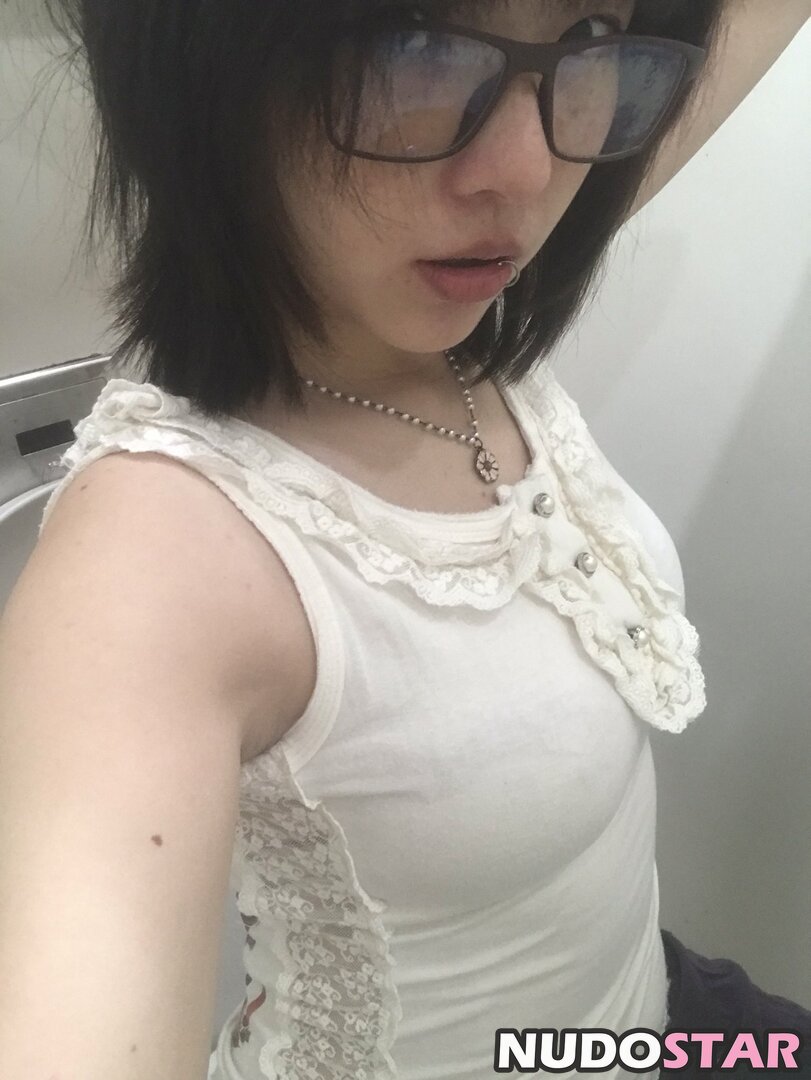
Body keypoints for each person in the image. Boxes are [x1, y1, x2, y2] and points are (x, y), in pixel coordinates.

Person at [1, 1, 809, 1078]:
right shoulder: (157, 550)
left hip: (655, 1017)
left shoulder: (473, 285)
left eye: (588, 40)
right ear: (204, 78)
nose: (526, 173)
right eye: (415, 47)